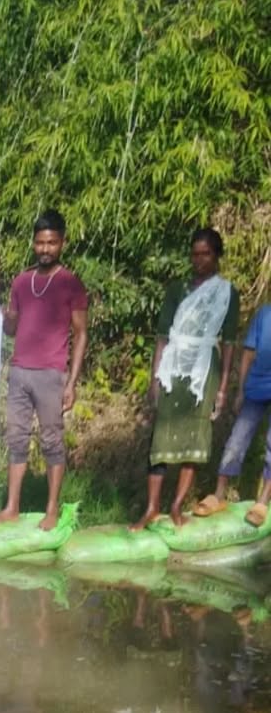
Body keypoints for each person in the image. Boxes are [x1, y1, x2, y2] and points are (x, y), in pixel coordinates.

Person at [131, 227, 239, 530]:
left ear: (217, 256)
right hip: (173, 368)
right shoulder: (177, 290)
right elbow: (162, 336)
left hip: (204, 373)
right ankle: (151, 508)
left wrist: (222, 388)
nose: (199, 260)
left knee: (194, 439)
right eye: (195, 254)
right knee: (160, 440)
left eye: (206, 254)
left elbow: (229, 342)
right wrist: (155, 378)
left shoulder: (226, 293)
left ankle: (177, 507)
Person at [0, 210, 88, 531]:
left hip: (51, 375)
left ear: (62, 243)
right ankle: (11, 507)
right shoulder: (21, 281)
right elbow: (11, 329)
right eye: (40, 243)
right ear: (33, 244)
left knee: (51, 441)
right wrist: (5, 318)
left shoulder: (71, 283)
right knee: (16, 439)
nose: (45, 249)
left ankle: (52, 509)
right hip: (20, 372)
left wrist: (71, 382)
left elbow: (81, 334)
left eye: (51, 243)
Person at [193, 301, 271, 526]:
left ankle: (263, 502)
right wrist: (241, 391)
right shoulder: (264, 314)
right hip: (255, 388)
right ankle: (219, 495)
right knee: (236, 440)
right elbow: (248, 354)